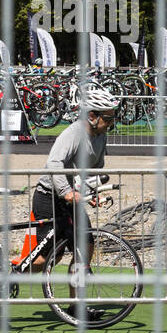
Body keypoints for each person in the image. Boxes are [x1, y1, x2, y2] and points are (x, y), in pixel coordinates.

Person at [33, 84, 119, 275]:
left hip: (71, 199)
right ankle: (9, 280)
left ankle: (75, 303)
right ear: (92, 116)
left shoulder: (101, 135)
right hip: (50, 197)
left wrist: (91, 191)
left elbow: (92, 170)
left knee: (85, 248)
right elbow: (54, 162)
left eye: (114, 117)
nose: (111, 123)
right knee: (50, 257)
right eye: (108, 118)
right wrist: (67, 192)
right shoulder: (74, 132)